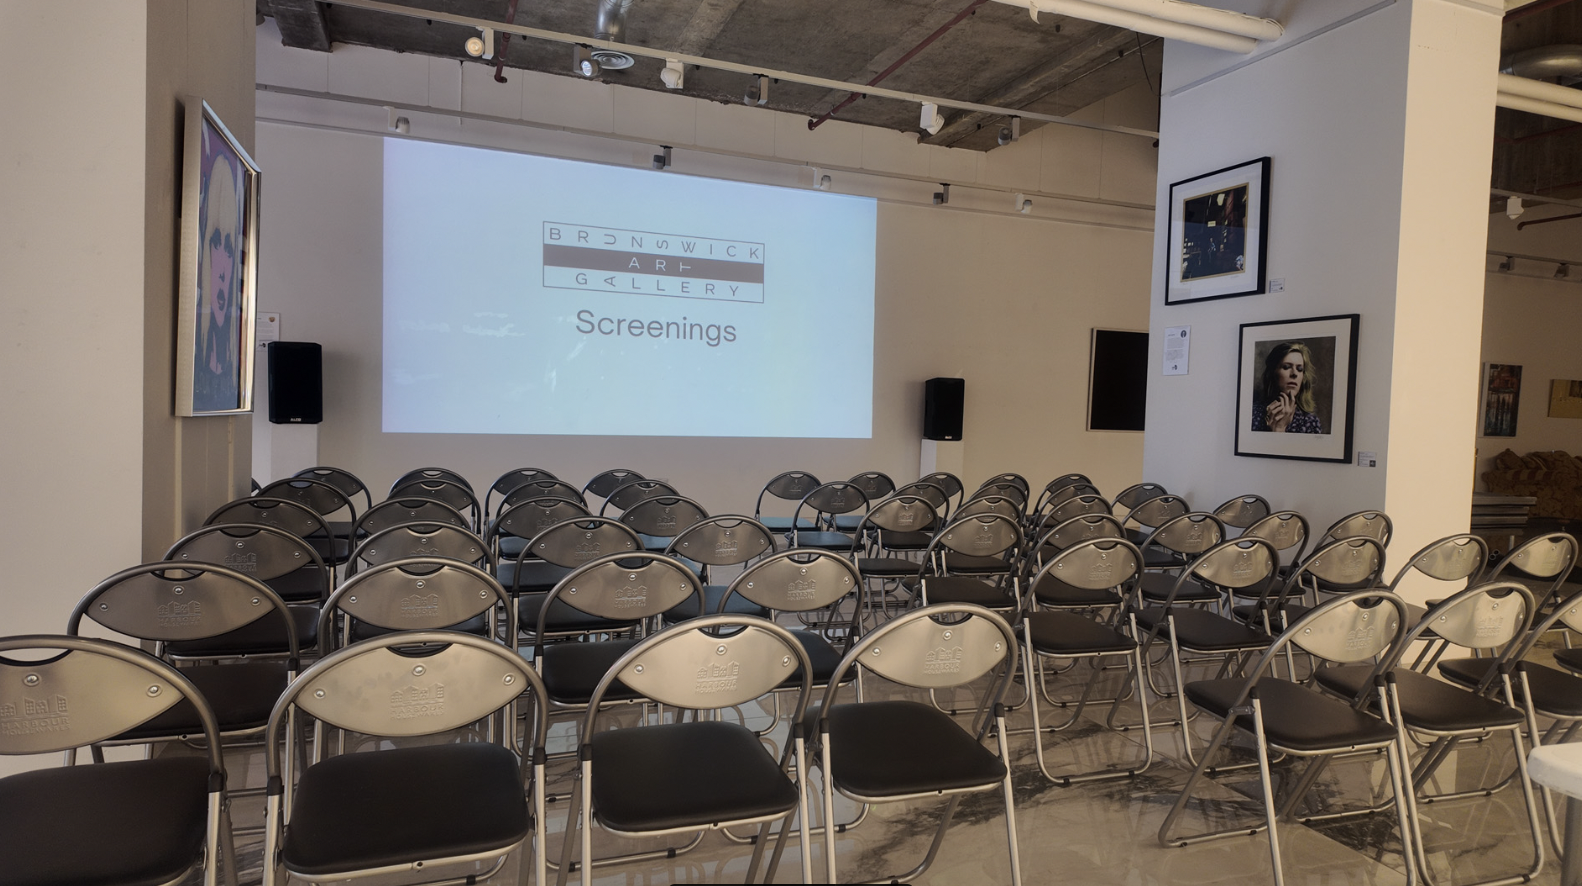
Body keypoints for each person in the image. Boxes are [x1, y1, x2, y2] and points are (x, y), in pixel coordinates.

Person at [192, 148, 242, 412]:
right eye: (215, 242)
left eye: (230, 249)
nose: (222, 270)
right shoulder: (194, 357)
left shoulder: (234, 372)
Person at [1251, 341, 1322, 433]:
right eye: (1286, 367)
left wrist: (1279, 429)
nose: (1294, 374)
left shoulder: (1311, 422)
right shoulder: (1252, 414)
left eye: (1299, 369)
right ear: (1272, 373)